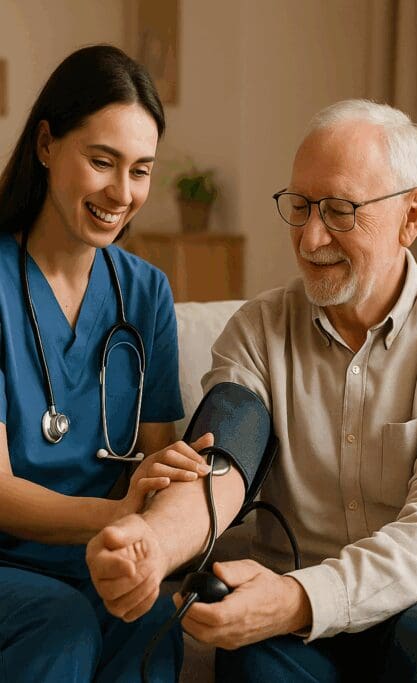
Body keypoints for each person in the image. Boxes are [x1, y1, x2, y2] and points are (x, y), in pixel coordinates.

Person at [86, 99, 417, 682]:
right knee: (254, 666)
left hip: (407, 609)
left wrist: (297, 598)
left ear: (410, 216)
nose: (312, 238)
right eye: (299, 206)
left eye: (341, 211)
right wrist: (151, 545)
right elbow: (222, 463)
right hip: (287, 632)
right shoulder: (258, 332)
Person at [0, 45, 214, 681]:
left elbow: (156, 461)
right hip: (11, 566)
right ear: (46, 144)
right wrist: (116, 515)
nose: (122, 193)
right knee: (60, 624)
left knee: (150, 621)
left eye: (141, 170)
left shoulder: (145, 294)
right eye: (102, 162)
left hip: (103, 557)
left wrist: (143, 537)